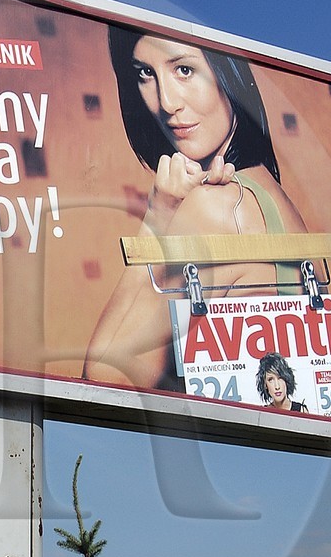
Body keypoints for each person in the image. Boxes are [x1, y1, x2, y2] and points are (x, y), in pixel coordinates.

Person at [84, 27, 309, 390]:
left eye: (184, 70)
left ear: (230, 77)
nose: (166, 102)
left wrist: (159, 214)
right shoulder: (268, 194)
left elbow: (106, 375)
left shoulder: (213, 208)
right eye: (145, 73)